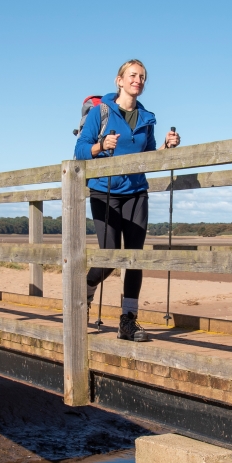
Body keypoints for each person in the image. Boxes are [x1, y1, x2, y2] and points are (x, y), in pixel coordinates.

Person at [74, 59, 181, 341]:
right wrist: (100, 145)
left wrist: (165, 148)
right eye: (133, 75)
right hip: (104, 191)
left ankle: (128, 321)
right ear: (119, 81)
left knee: (134, 256)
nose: (138, 80)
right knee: (109, 256)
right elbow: (80, 150)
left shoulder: (147, 118)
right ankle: (85, 288)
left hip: (136, 191)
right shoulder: (102, 112)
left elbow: (148, 157)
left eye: (142, 77)